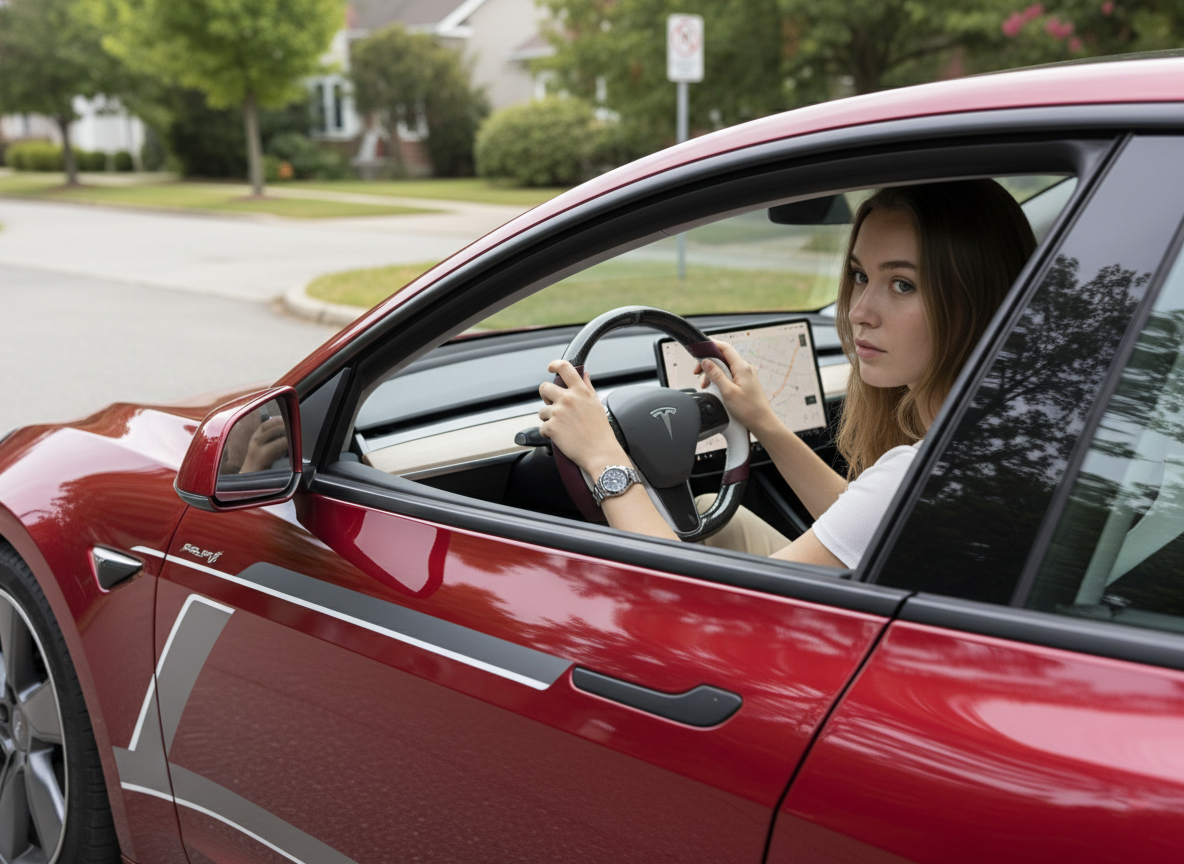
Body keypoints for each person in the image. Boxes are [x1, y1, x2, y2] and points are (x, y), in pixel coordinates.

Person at [537, 179, 1038, 568]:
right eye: (861, 276)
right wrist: (763, 422)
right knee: (716, 517)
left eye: (902, 284)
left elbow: (690, 605)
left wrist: (604, 457)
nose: (860, 310)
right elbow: (863, 523)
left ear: (977, 302)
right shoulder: (1009, 432)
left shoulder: (915, 475)